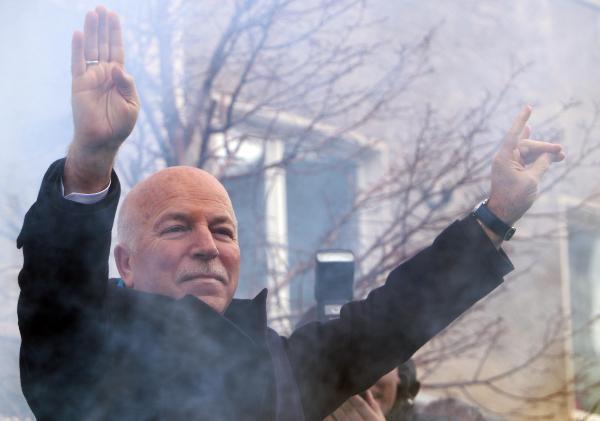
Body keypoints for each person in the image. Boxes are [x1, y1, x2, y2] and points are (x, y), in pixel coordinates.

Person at [16, 5, 565, 421]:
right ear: (125, 263)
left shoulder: (281, 364)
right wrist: (89, 162)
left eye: (224, 230)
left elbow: (390, 318)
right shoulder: (82, 349)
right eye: (177, 226)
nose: (207, 245)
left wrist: (495, 216)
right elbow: (56, 289)